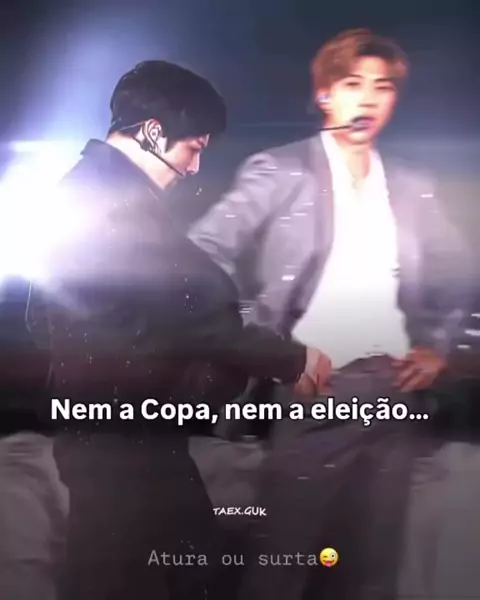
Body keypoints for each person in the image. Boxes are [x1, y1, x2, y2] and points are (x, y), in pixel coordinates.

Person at [25, 60, 329, 600]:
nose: (194, 167)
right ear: (152, 132)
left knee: (148, 571)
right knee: (149, 574)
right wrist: (291, 359)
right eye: (194, 147)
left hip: (110, 432)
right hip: (122, 442)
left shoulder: (84, 190)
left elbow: (38, 317)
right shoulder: (116, 202)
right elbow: (193, 312)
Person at [188, 29, 469, 599]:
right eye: (352, 84)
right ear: (325, 94)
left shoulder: (409, 183)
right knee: (282, 562)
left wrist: (436, 344)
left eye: (382, 87)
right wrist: (260, 344)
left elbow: (460, 267)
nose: (367, 99)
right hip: (317, 387)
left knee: (372, 567)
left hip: (393, 390)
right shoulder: (282, 169)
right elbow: (200, 253)